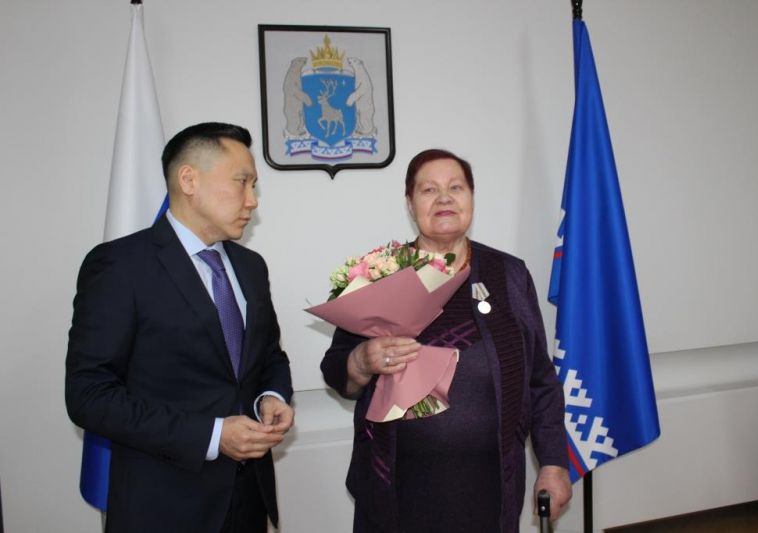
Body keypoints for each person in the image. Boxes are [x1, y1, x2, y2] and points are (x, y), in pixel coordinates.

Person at [321, 148, 572, 532]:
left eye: (456, 188)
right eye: (429, 190)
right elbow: (337, 370)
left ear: (471, 198)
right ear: (410, 203)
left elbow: (540, 379)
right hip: (397, 490)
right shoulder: (379, 273)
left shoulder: (508, 274)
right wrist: (361, 360)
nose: (444, 198)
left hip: (490, 489)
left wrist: (553, 463)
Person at [66, 122, 294, 533]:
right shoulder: (120, 266)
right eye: (242, 182)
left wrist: (271, 397)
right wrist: (212, 435)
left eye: (254, 186)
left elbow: (269, 356)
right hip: (163, 505)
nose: (252, 200)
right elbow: (89, 396)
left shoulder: (251, 266)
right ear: (189, 180)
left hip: (248, 500)